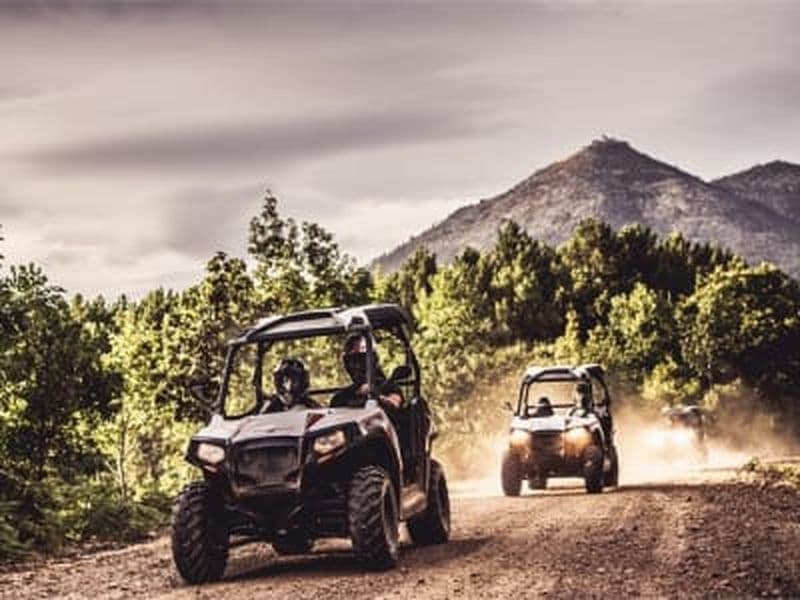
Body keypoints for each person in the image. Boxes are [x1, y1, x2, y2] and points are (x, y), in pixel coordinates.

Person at [330, 333, 404, 410]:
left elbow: (394, 404)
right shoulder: (342, 396)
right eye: (351, 360)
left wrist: (376, 395)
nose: (356, 366)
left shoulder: (389, 387)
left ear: (373, 358)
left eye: (361, 358)